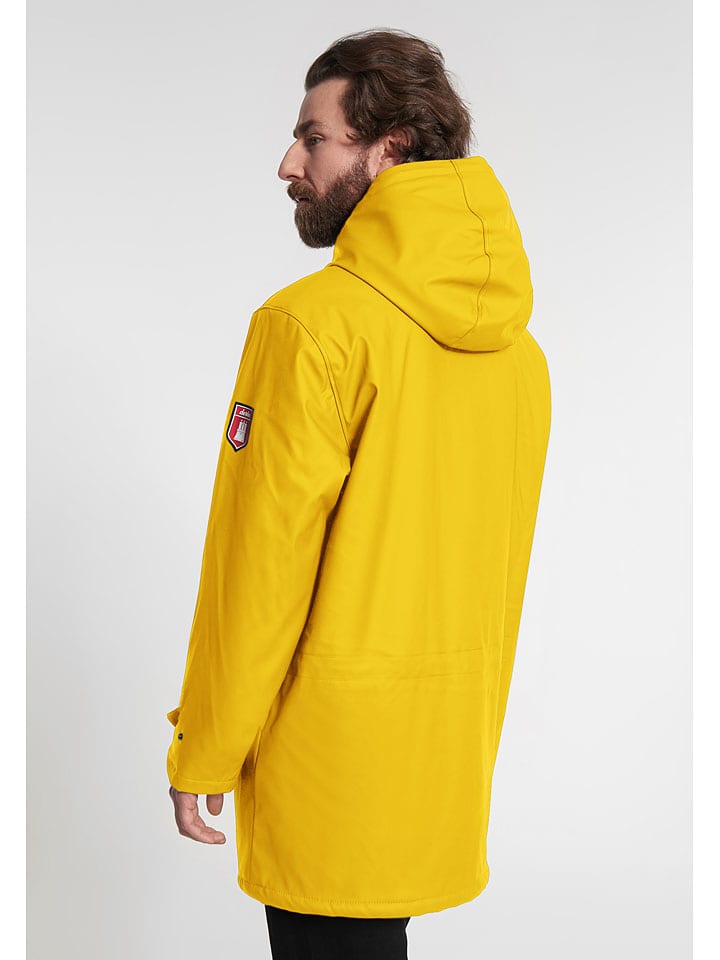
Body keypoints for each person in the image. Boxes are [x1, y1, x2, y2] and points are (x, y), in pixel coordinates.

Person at [166, 27, 551, 960]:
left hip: (327, 763)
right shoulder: (518, 353)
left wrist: (205, 746)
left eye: (314, 137)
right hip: (443, 755)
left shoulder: (308, 328)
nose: (289, 164)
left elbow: (258, 570)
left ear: (392, 149)